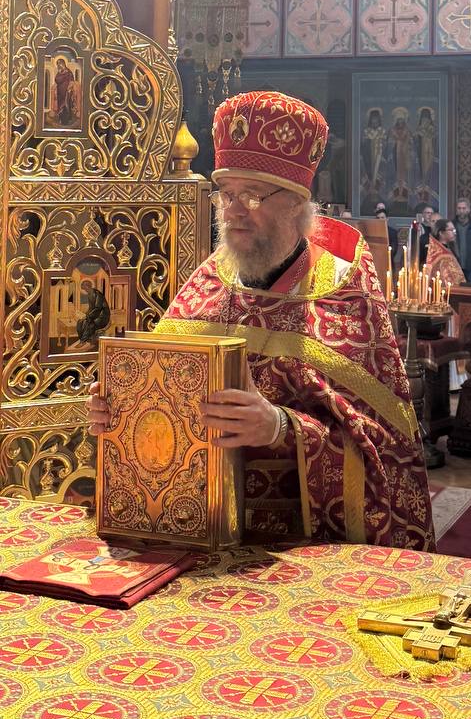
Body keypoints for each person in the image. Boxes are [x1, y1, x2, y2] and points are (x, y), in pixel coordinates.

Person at [88, 90, 434, 550]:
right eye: (227, 194)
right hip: (191, 533)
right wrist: (121, 409)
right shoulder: (207, 282)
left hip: (299, 551)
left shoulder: (345, 295)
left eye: (251, 195)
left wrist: (281, 428)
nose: (232, 210)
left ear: (297, 202)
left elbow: (385, 455)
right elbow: (161, 400)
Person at [425, 220, 466, 392]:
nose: (454, 232)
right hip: (448, 303)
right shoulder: (443, 257)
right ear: (441, 233)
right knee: (450, 339)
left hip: (443, 302)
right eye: (451, 230)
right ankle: (453, 382)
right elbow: (454, 281)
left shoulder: (438, 253)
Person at [374, 201, 400, 266]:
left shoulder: (393, 232)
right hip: (375, 263)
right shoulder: (373, 231)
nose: (380, 220)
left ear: (387, 219)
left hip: (388, 263)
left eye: (382, 218)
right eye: (378, 218)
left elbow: (393, 250)